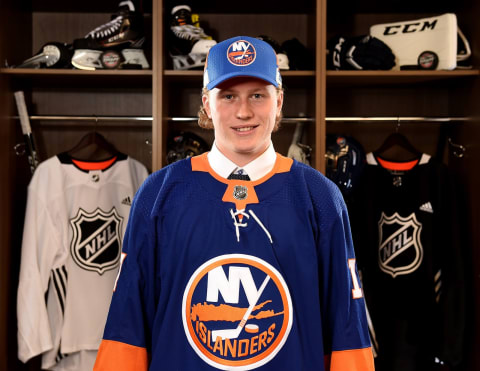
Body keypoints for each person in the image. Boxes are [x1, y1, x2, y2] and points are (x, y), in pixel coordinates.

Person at [94, 35, 374, 370]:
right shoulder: (159, 194)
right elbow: (127, 327)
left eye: (258, 95)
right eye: (228, 96)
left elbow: (347, 331)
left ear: (279, 100)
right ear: (207, 104)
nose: (243, 111)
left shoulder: (320, 198)